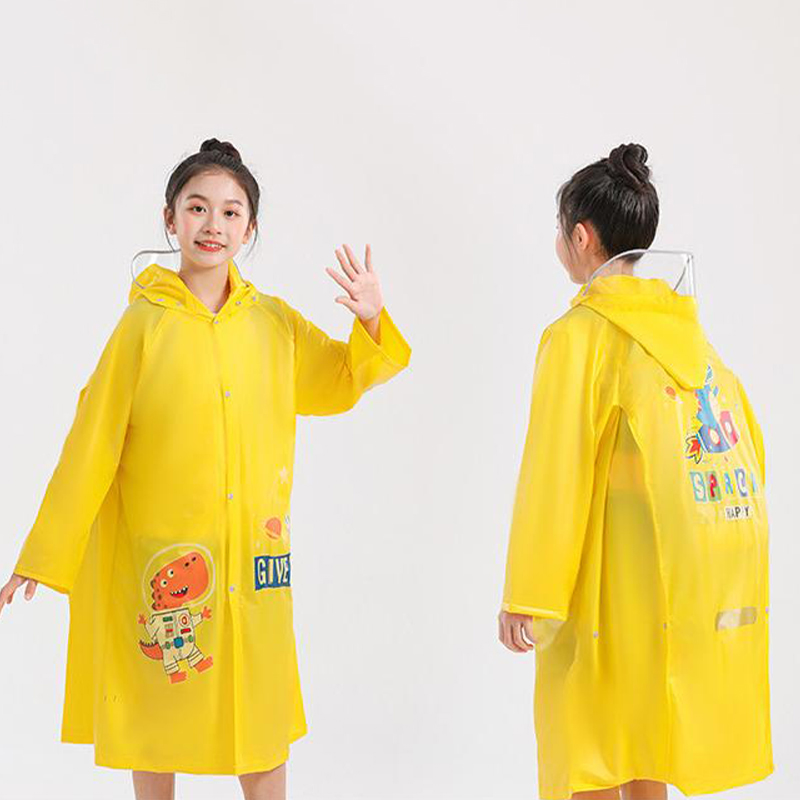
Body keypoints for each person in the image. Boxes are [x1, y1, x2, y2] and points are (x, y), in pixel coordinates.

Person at [0, 137, 412, 800]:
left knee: (260, 714)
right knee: (154, 708)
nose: (212, 224)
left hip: (251, 555)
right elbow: (91, 442)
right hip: (164, 557)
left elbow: (339, 381)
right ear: (170, 219)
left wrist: (370, 321)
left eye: (229, 212)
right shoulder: (141, 327)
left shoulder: (273, 324)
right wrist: (44, 553)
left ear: (250, 229)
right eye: (197, 208)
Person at [498, 144, 772, 800]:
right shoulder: (691, 337)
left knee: (591, 740)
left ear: (581, 238)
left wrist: (527, 593)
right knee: (648, 731)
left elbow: (554, 472)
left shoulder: (578, 337)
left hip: (602, 576)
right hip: (672, 576)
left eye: (561, 231)